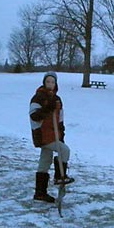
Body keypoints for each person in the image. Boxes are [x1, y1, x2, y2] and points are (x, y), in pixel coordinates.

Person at [29, 72, 74, 203]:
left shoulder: (57, 100)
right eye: (48, 82)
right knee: (65, 150)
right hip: (42, 135)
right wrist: (48, 108)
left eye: (52, 82)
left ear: (56, 84)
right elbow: (34, 116)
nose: (50, 84)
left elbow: (60, 120)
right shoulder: (37, 98)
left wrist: (61, 136)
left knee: (45, 161)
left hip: (54, 135)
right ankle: (60, 176)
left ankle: (40, 193)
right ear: (44, 83)